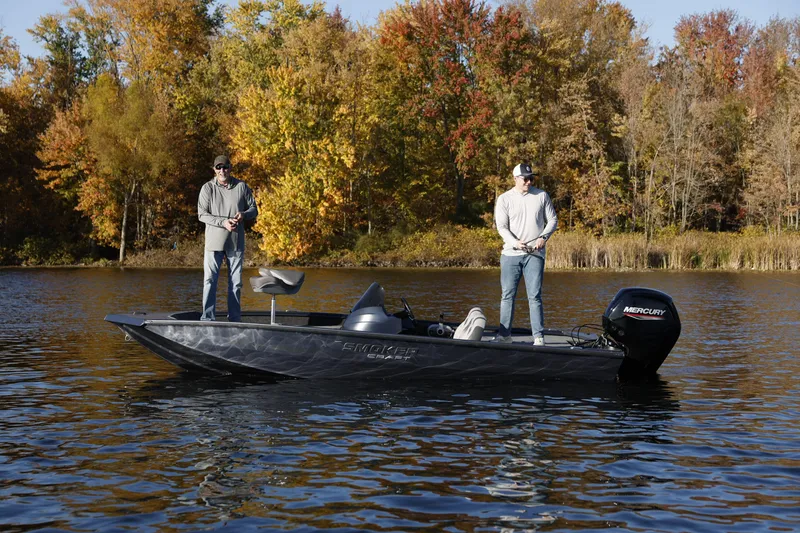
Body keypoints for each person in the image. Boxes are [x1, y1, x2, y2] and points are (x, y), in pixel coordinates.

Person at [493, 163, 558, 345]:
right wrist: (515, 243)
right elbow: (502, 227)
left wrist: (543, 237)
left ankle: (538, 337)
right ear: (515, 179)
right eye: (525, 178)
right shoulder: (504, 199)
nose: (529, 182)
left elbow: (552, 219)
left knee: (534, 295)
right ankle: (504, 335)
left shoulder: (541, 196)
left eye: (531, 178)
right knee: (507, 295)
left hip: (534, 255)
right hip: (510, 254)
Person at [198, 155, 258, 321]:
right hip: (213, 243)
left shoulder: (241, 186)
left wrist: (243, 215)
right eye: (218, 168)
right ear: (214, 169)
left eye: (225, 167)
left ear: (230, 168)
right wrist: (223, 222)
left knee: (236, 283)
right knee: (210, 281)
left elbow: (254, 209)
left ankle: (235, 319)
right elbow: (202, 215)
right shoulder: (207, 188)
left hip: (235, 243)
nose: (222, 171)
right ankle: (207, 318)